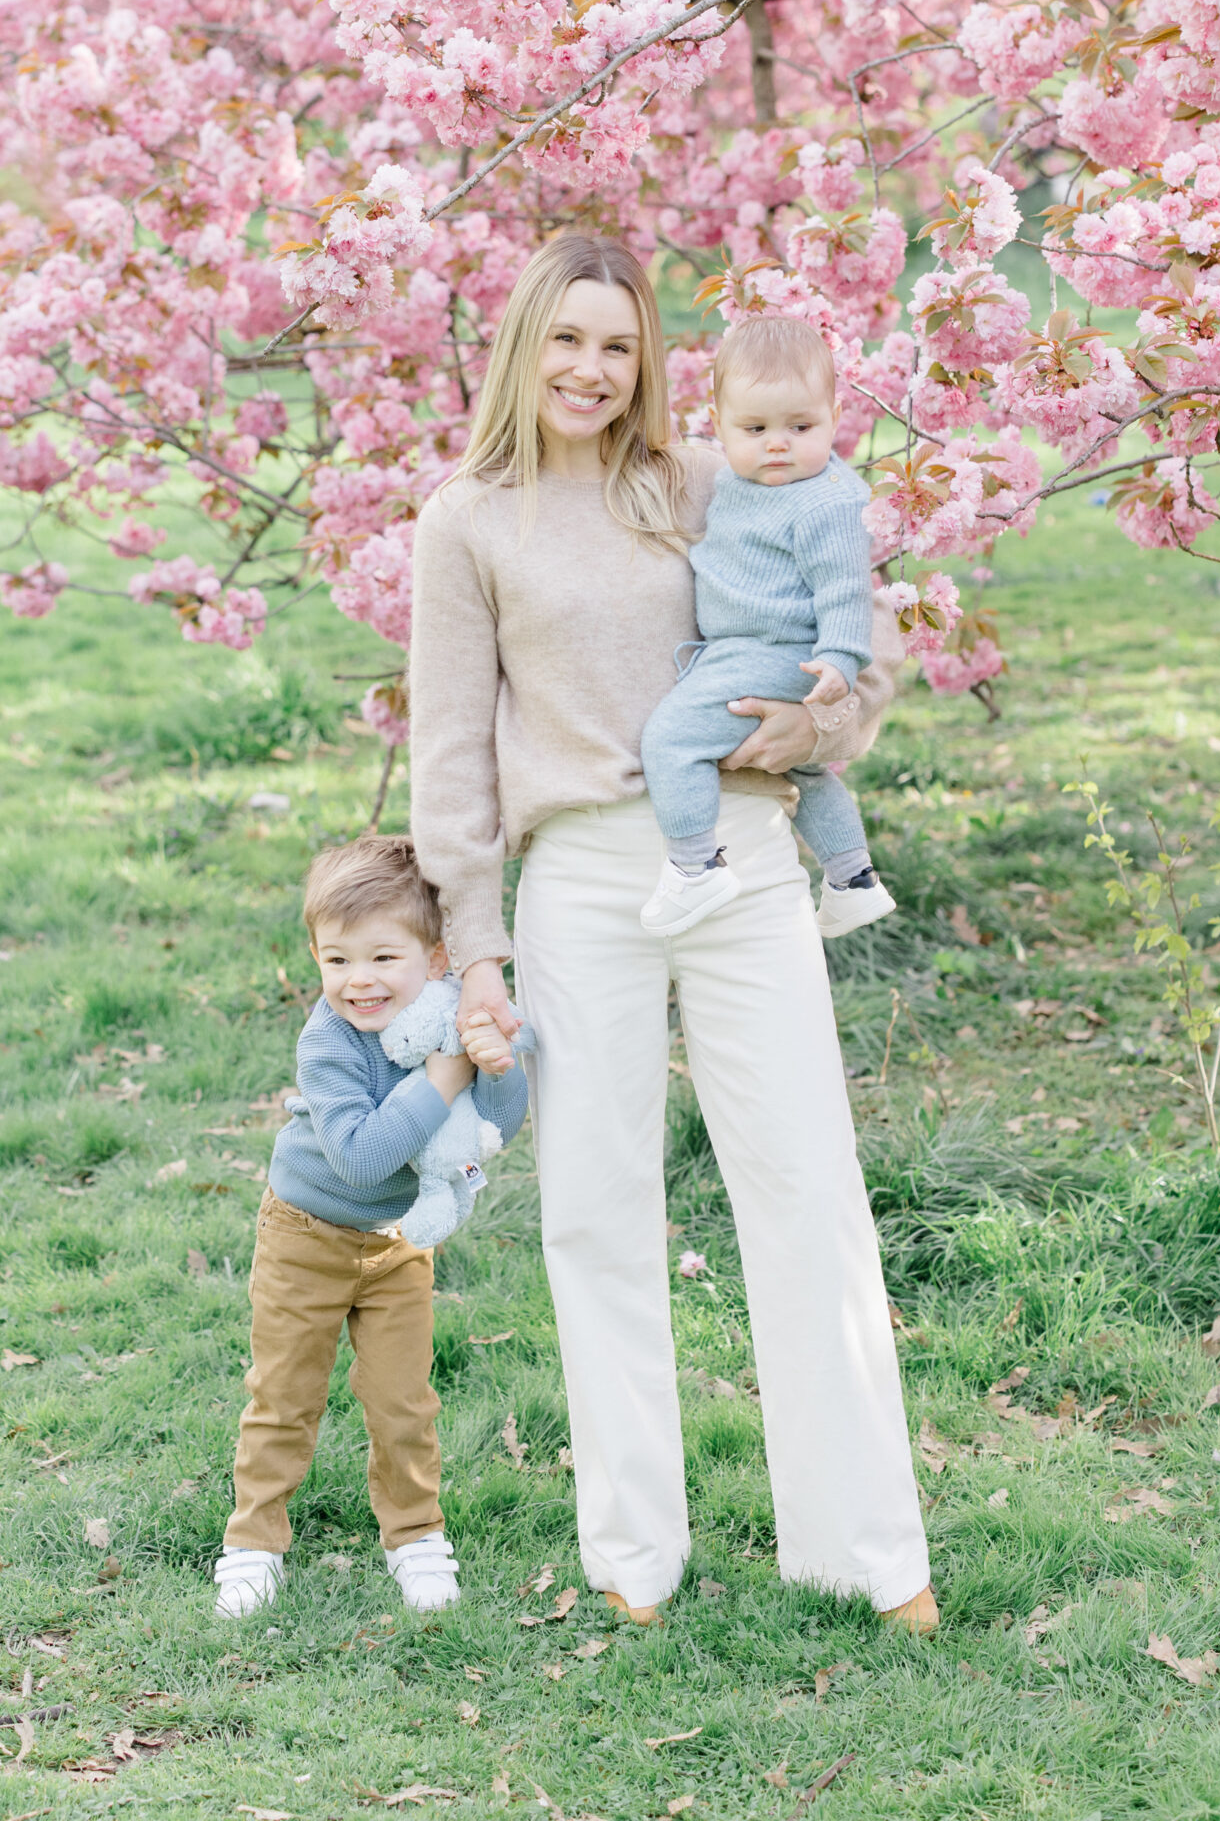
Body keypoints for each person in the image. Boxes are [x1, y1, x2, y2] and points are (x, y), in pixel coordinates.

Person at [409, 234, 936, 1633]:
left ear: (651, 363)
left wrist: (814, 725)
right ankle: (635, 1556)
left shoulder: (706, 480)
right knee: (594, 1210)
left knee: (807, 1187)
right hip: (580, 880)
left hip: (747, 863)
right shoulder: (465, 519)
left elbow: (852, 651)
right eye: (566, 340)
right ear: (525, 345)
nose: (591, 369)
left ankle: (869, 1554)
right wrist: (474, 951)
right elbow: (451, 752)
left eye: (619, 345)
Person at [210, 835, 527, 1621]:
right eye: (337, 961)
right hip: (307, 1235)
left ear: (437, 954)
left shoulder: (449, 1017)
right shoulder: (327, 1042)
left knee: (403, 1401)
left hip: (396, 1246)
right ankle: (253, 1542)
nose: (360, 982)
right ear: (315, 958)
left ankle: (415, 1537)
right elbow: (361, 1157)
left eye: (384, 958)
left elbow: (496, 1125)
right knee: (284, 1393)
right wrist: (447, 1073)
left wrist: (496, 1065)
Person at [637, 312, 897, 942]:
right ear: (718, 425)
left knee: (672, 740)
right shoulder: (736, 477)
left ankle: (695, 865)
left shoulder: (825, 501)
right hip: (757, 648)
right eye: (754, 429)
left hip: (773, 652)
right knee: (806, 773)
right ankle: (851, 879)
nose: (777, 444)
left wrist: (839, 659)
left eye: (800, 426)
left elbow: (843, 588)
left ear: (835, 417)